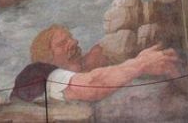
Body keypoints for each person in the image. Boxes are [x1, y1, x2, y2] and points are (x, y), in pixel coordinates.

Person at [11, 24, 179, 102]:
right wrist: (141, 64)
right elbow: (92, 84)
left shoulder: (87, 65)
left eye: (71, 38)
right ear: (47, 58)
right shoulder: (36, 73)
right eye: (62, 43)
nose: (74, 42)